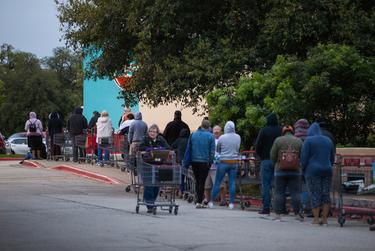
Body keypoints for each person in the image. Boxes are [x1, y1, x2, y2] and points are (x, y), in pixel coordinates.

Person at [301, 122, 335, 226]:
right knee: (325, 194)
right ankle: (324, 220)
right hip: (327, 170)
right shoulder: (328, 140)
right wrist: (328, 165)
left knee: (315, 193)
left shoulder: (308, 140)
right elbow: (332, 157)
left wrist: (303, 169)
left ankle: (315, 219)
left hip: (312, 171)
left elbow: (304, 158)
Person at [270, 125, 304, 221]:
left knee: (279, 192)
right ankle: (297, 214)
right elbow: (303, 155)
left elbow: (272, 155)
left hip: (280, 171)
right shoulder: (298, 141)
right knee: (295, 192)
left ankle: (278, 215)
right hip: (295, 171)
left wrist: (275, 164)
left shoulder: (278, 140)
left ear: (283, 132)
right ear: (292, 131)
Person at [208, 121, 241, 210]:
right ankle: (231, 203)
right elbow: (238, 148)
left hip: (223, 162)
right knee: (232, 183)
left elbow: (218, 150)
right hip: (234, 162)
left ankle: (211, 201)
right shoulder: (238, 137)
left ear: (226, 128)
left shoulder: (222, 137)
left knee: (217, 182)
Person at [184, 119, 215, 208]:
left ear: (201, 125)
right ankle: (199, 201)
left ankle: (198, 199)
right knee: (202, 181)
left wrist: (188, 161)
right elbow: (212, 152)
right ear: (208, 127)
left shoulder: (193, 134)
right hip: (205, 162)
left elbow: (189, 148)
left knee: (197, 181)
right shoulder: (210, 136)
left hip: (194, 161)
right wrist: (210, 161)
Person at [255, 113, 282, 214]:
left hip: (266, 160)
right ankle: (279, 207)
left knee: (265, 185)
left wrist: (261, 156)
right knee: (278, 185)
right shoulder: (281, 130)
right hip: (279, 162)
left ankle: (266, 207)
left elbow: (258, 145)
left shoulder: (264, 130)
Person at [139, 124, 170, 213]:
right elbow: (141, 147)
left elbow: (168, 148)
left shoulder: (161, 139)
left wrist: (160, 149)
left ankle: (150, 201)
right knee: (149, 185)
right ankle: (150, 204)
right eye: (150, 131)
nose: (152, 133)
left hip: (158, 165)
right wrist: (149, 149)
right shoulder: (145, 139)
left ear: (157, 133)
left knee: (156, 185)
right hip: (147, 165)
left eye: (154, 131)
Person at [203, 125, 227, 206]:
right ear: (212, 131)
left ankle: (223, 200)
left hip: (218, 166)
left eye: (218, 130)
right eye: (215, 130)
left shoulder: (223, 140)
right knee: (207, 185)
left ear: (221, 132)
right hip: (208, 165)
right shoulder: (209, 140)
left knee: (220, 185)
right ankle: (207, 199)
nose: (216, 132)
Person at [294, 118, 311, 215]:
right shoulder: (310, 136)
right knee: (308, 186)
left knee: (300, 187)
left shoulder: (295, 138)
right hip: (309, 165)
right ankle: (309, 206)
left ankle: (302, 206)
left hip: (298, 165)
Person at [171, 128, 190, 196]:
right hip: (188, 160)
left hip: (180, 160)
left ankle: (181, 191)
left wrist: (177, 150)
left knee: (181, 177)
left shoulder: (178, 140)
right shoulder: (189, 140)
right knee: (189, 177)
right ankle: (188, 190)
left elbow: (172, 147)